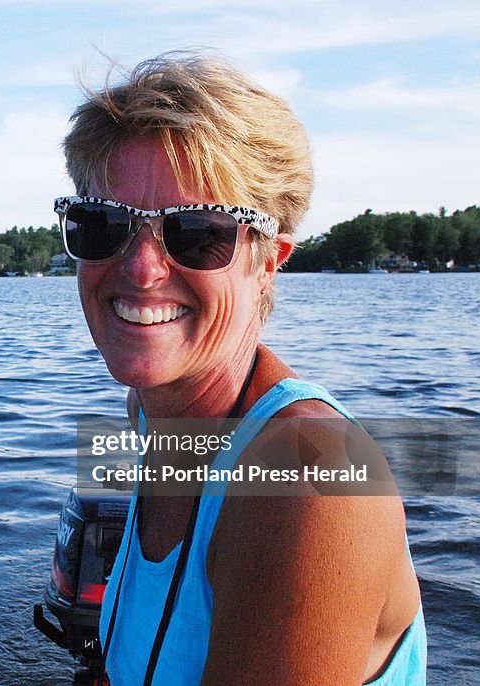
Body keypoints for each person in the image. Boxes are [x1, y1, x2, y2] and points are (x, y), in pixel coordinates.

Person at [57, 52, 426, 685]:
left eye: (199, 233)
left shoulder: (314, 477)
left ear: (269, 261)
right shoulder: (152, 416)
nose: (141, 268)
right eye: (104, 224)